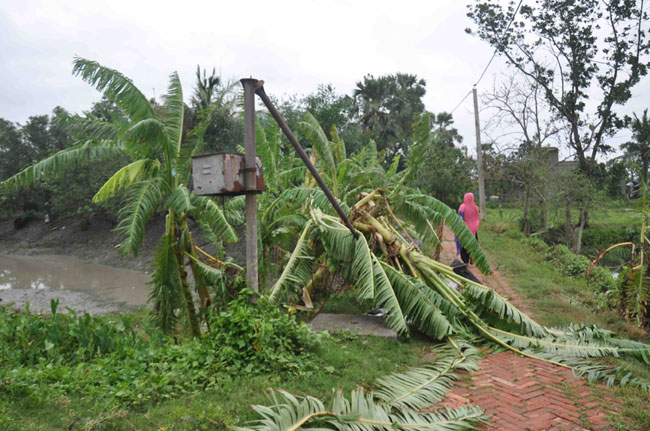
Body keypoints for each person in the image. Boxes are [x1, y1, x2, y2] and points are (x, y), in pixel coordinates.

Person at [455, 192, 480, 264]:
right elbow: (477, 218)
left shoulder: (462, 207)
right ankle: (472, 257)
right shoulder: (475, 207)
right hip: (474, 229)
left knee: (464, 246)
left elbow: (460, 218)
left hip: (465, 230)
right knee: (473, 244)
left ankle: (465, 261)